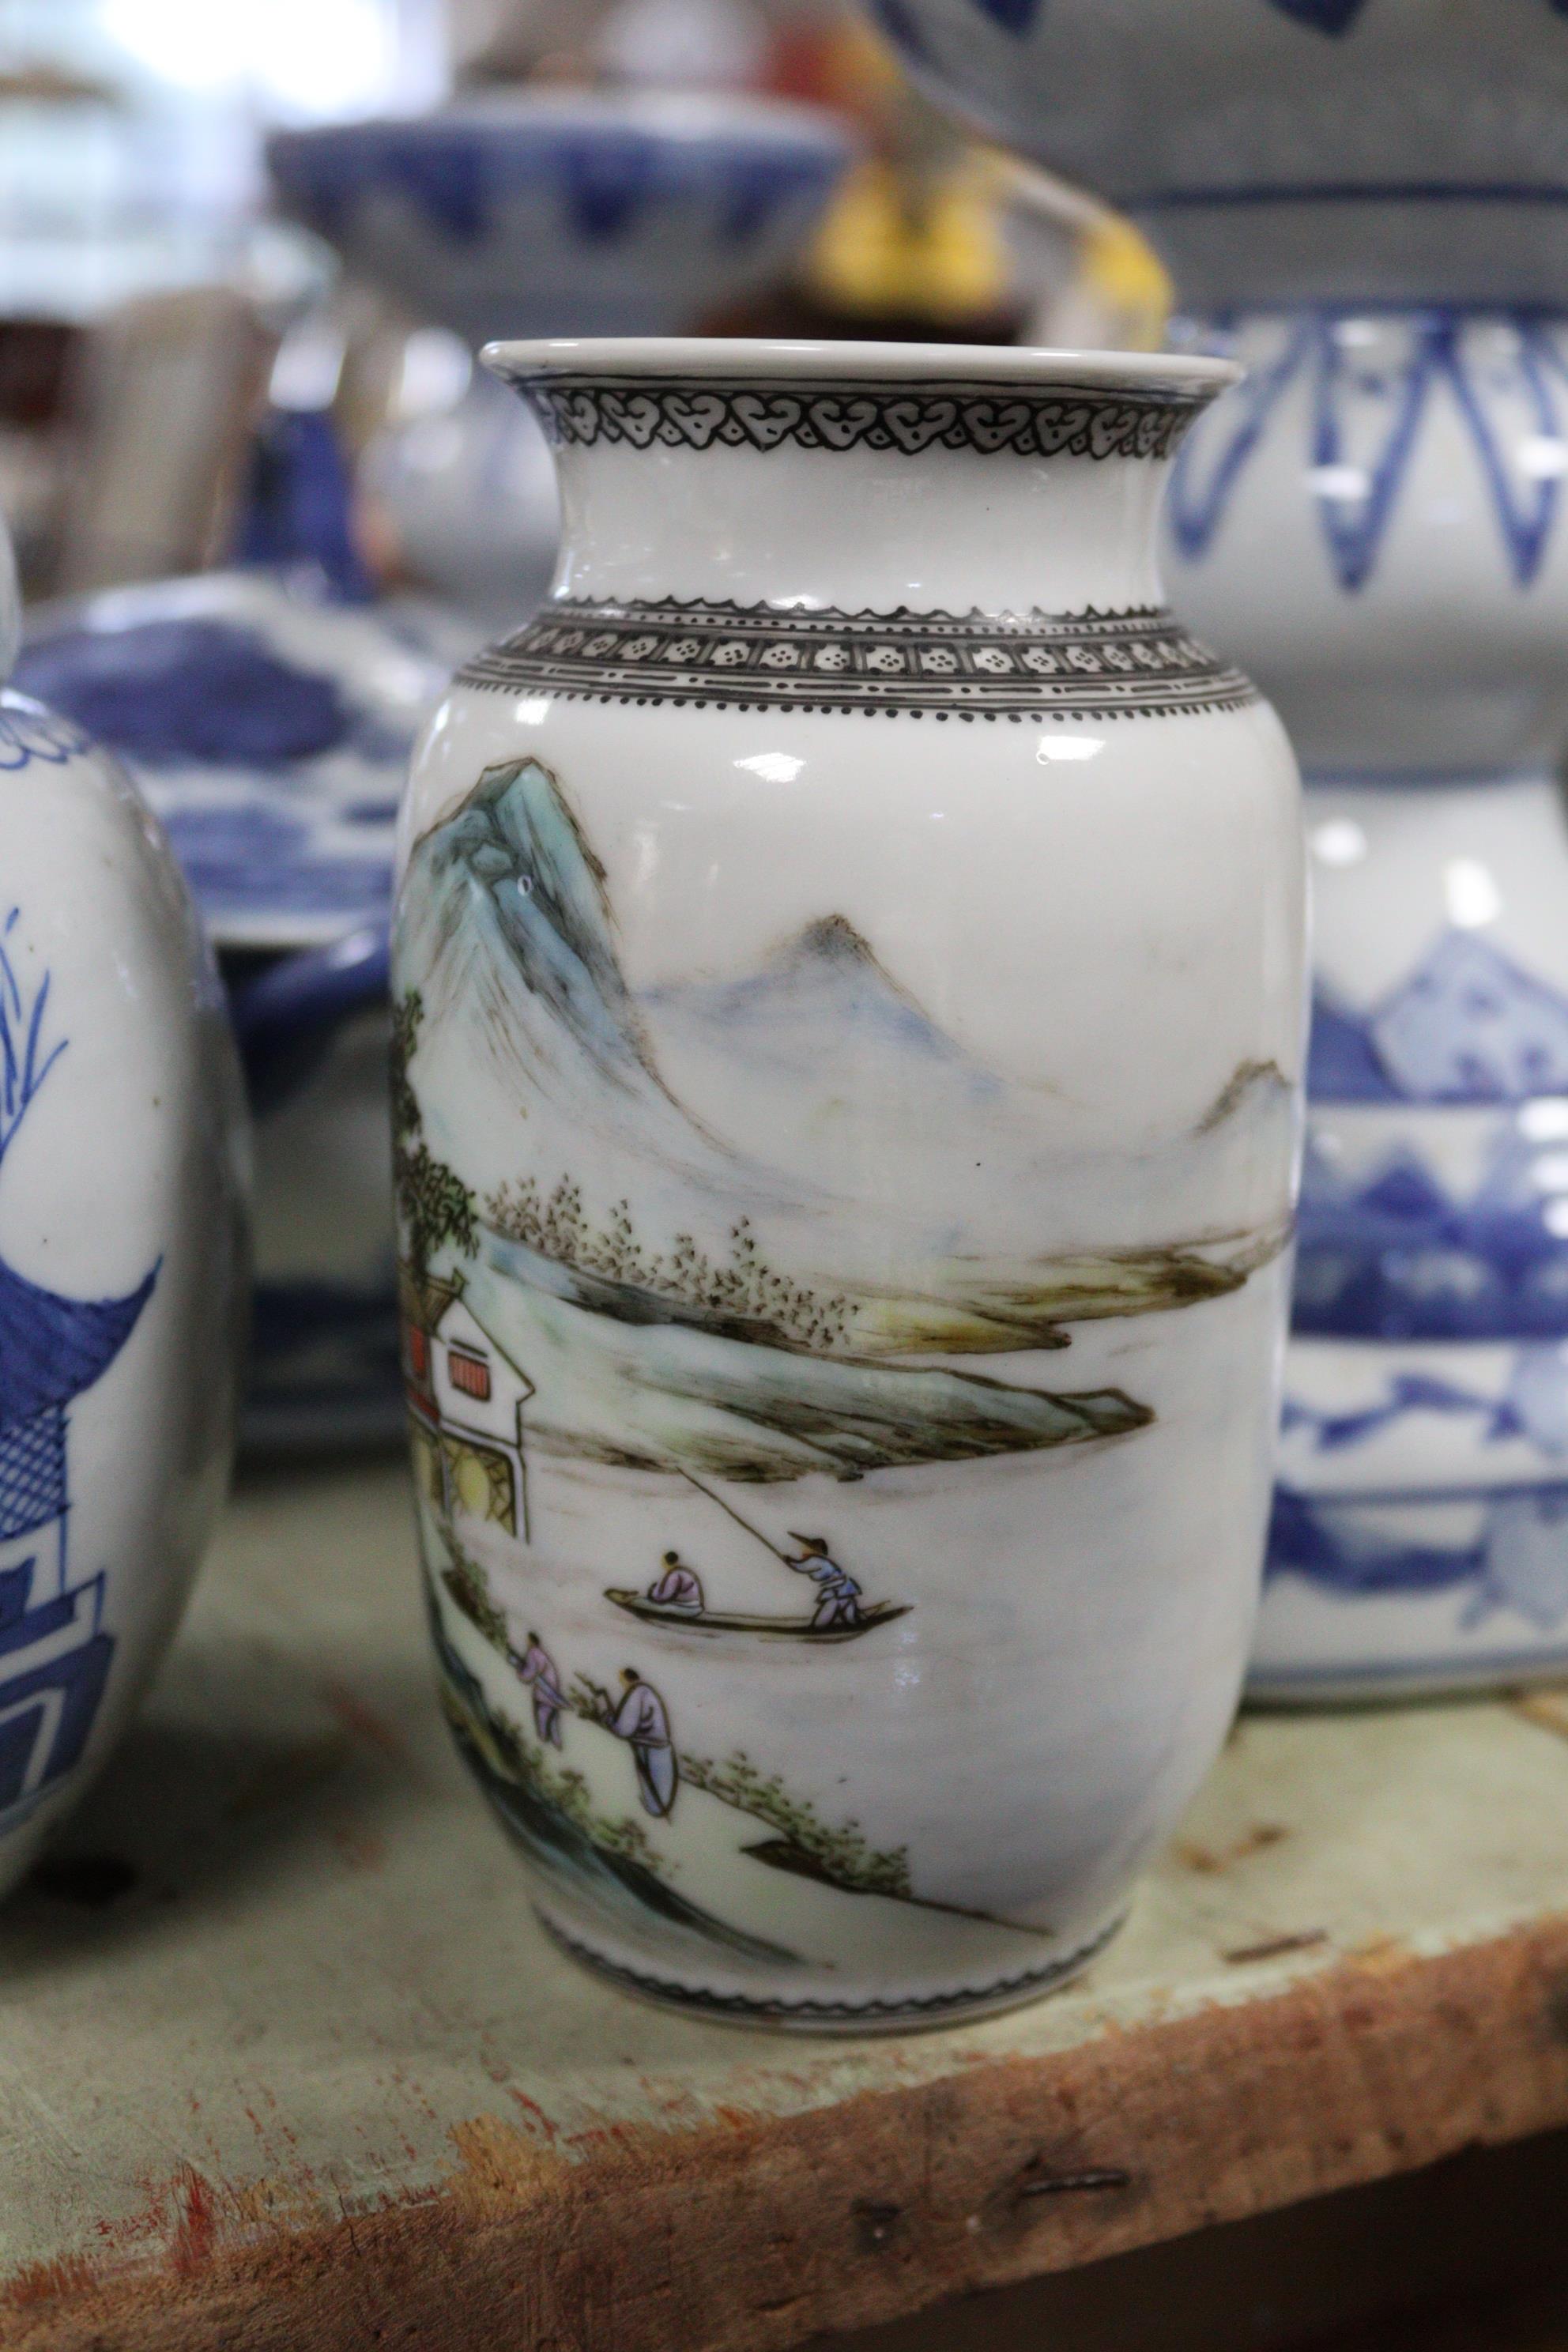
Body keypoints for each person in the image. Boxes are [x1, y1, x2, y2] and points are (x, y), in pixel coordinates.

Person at [605, 1667, 678, 1817]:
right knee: (660, 1789)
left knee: (652, 1787)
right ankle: (660, 1812)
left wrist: (609, 1720)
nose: (620, 1683)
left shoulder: (637, 1693)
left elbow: (625, 1729)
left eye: (621, 1679)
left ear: (626, 1679)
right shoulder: (646, 1690)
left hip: (649, 1747)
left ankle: (657, 1812)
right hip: (660, 1745)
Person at [786, 1534, 862, 1630]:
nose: (802, 1549)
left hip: (836, 1593)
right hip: (845, 1590)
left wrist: (788, 1561)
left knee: (822, 1621)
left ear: (812, 1550)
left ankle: (817, 1630)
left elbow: (801, 1567)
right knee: (850, 1615)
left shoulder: (815, 1560)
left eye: (806, 1547)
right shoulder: (822, 1561)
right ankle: (855, 1624)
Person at [512, 1629, 567, 1747]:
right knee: (553, 1717)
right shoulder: (540, 1653)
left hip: (545, 1690)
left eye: (527, 1640)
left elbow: (532, 1672)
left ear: (531, 1641)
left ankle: (543, 1738)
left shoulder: (533, 1652)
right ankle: (557, 1742)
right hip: (552, 1689)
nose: (526, 1643)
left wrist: (520, 1674)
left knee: (543, 1713)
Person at [646, 1549, 705, 1614]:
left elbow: (666, 1596)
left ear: (666, 1562)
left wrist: (652, 1593)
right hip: (695, 1601)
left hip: (688, 1604)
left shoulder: (674, 1575)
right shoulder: (682, 1571)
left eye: (662, 1562)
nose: (661, 1564)